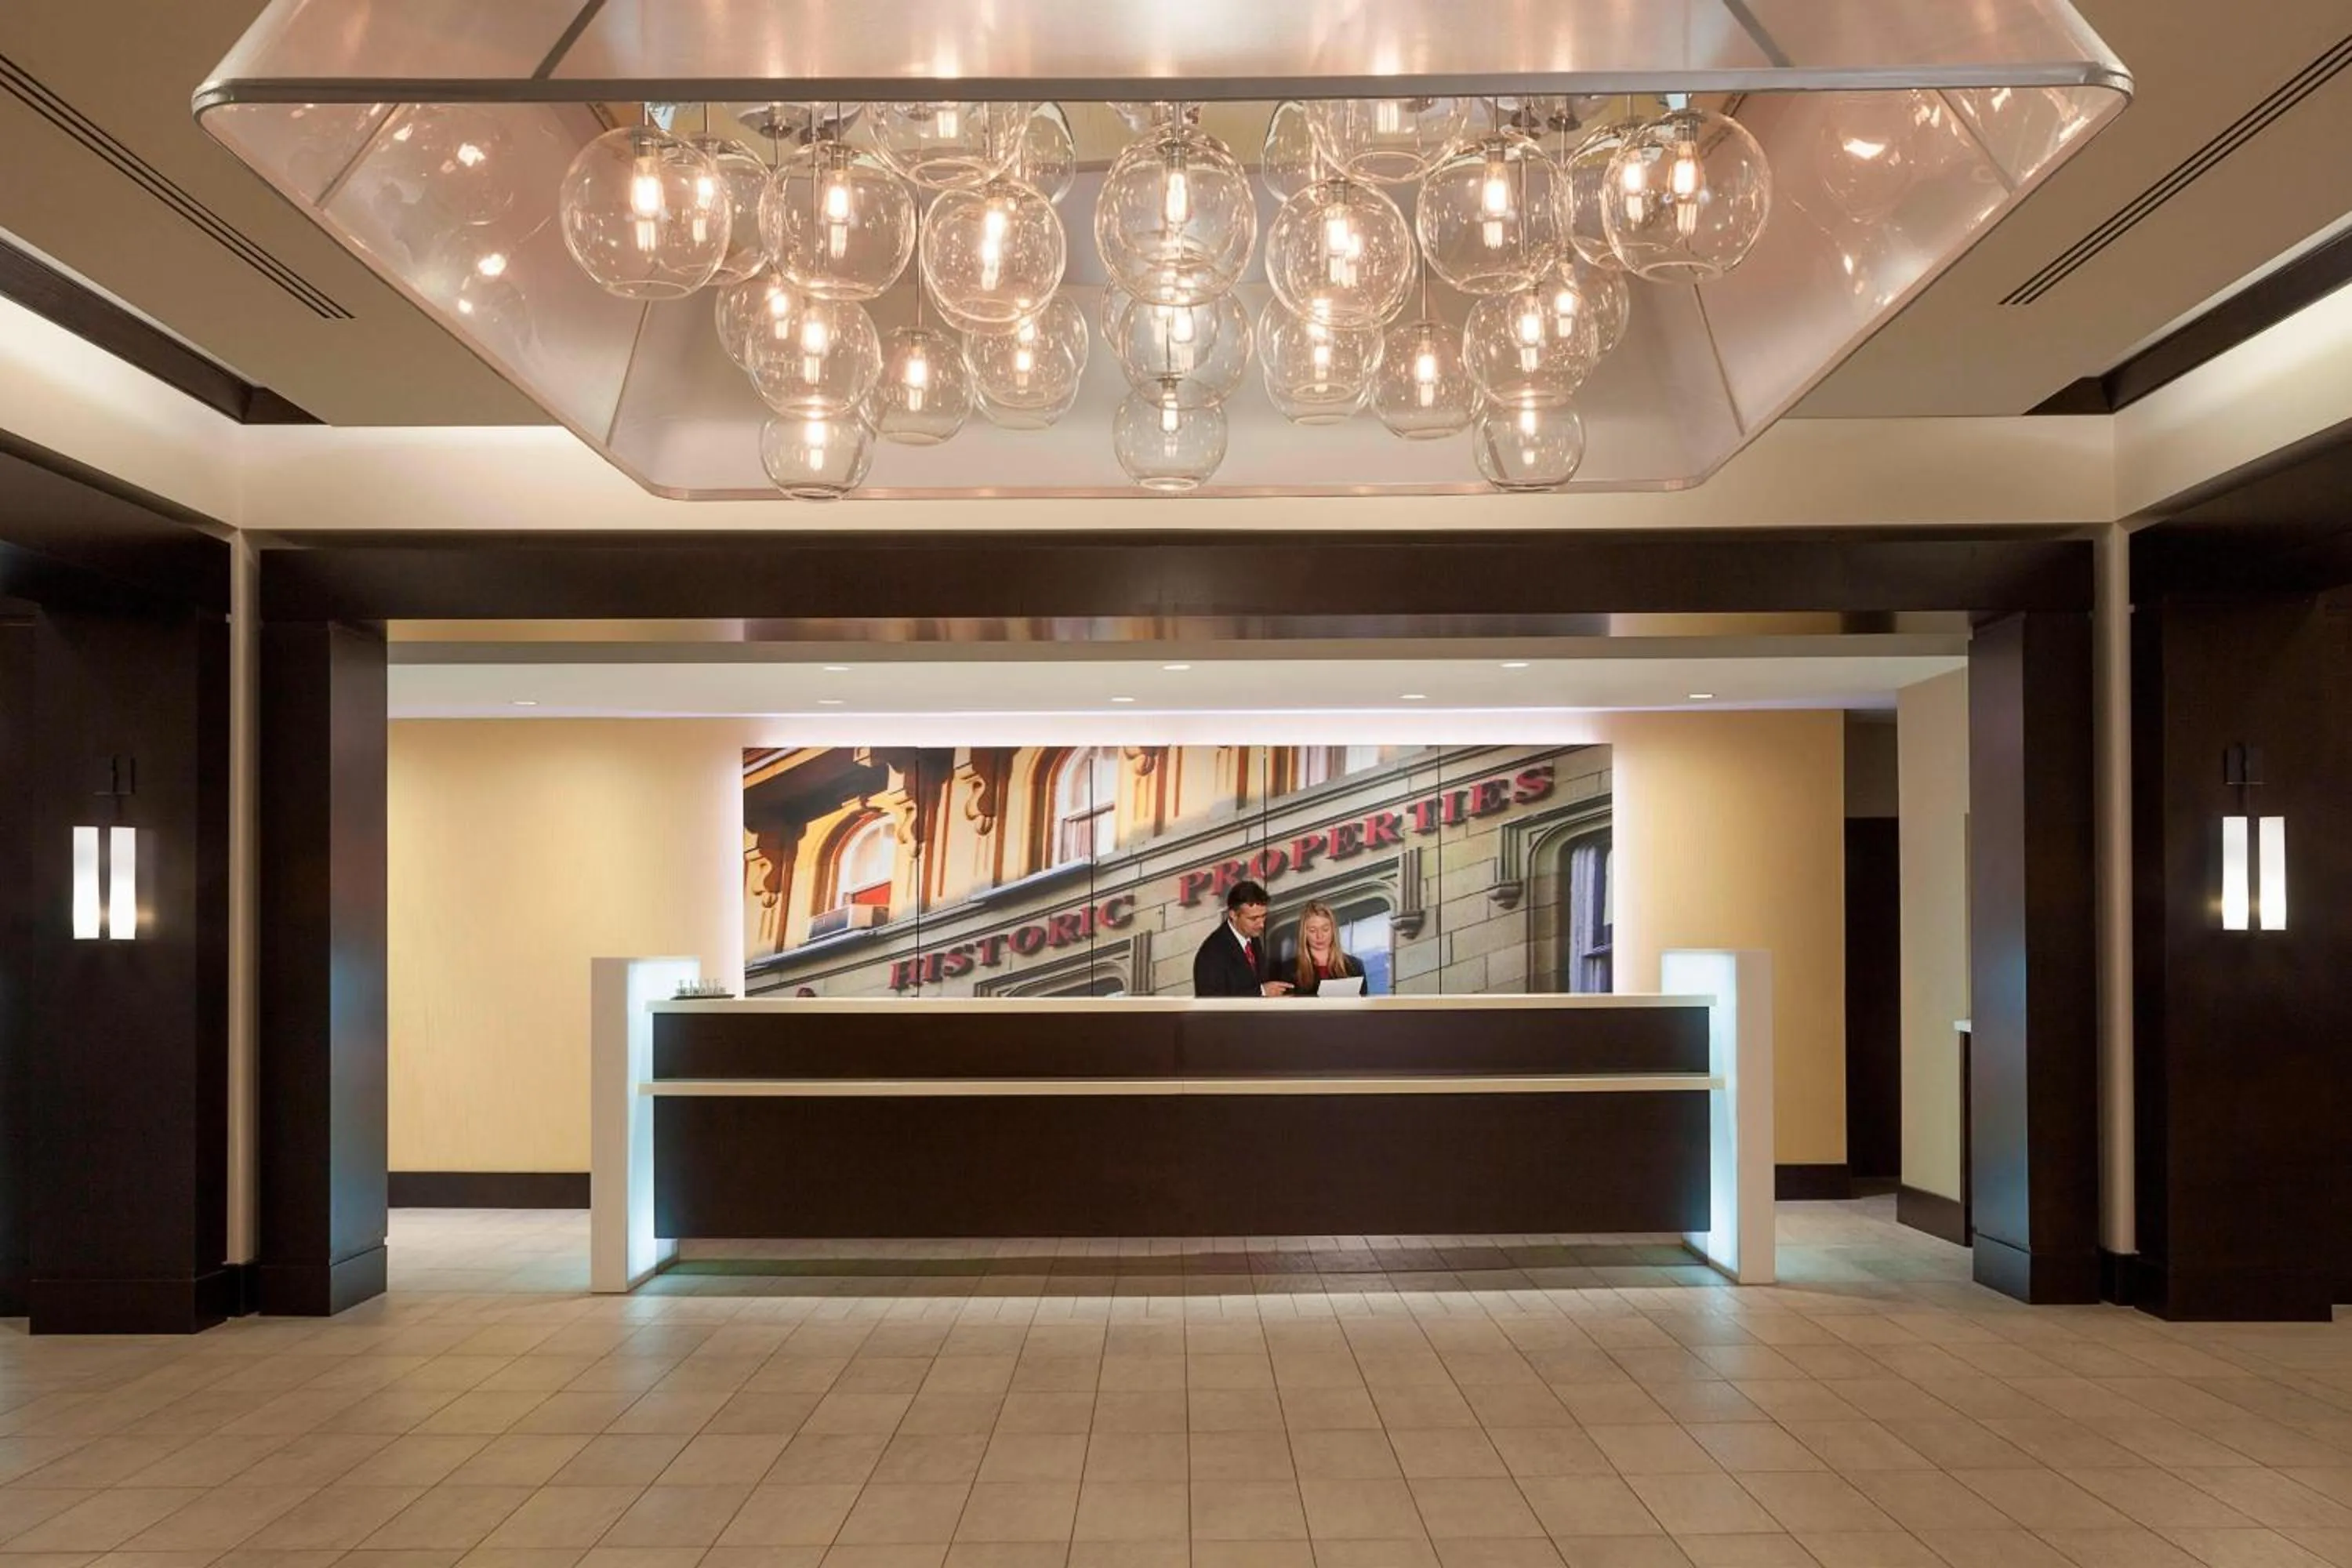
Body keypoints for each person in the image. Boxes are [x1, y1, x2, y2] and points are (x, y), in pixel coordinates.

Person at [1192, 880, 1293, 996]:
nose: (1261, 925)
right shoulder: (1212, 952)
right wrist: (1262, 992)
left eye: (1263, 916)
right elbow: (1211, 1001)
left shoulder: (1251, 936)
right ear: (1233, 915)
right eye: (1253, 919)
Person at [1290, 899, 1367, 996]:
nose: (1320, 936)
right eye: (1313, 931)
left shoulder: (1355, 966)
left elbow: (1364, 1006)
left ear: (1333, 930)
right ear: (1304, 934)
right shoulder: (1291, 969)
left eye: (1325, 930)